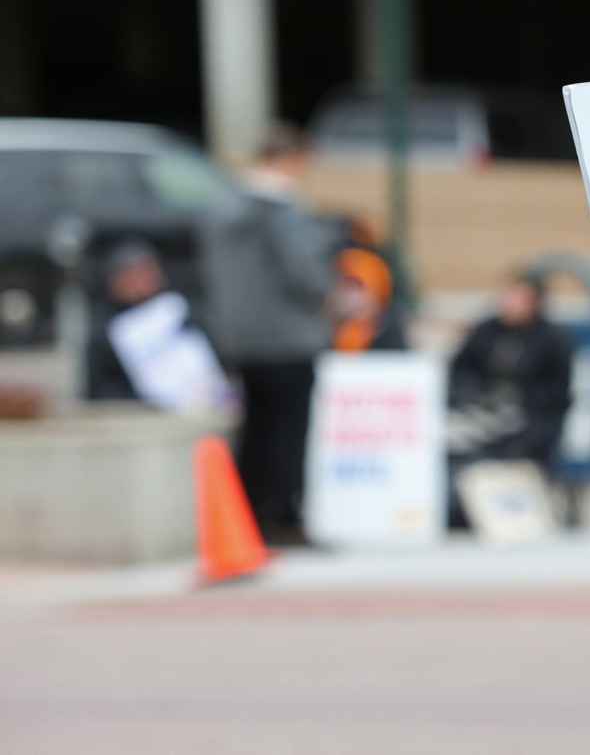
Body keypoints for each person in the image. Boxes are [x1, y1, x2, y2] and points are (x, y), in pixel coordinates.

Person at [201, 128, 338, 543]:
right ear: (291, 159)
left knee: (255, 429)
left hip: (242, 337)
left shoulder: (222, 207)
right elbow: (305, 273)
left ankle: (247, 517)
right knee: (288, 431)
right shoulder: (282, 210)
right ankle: (283, 516)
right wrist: (329, 293)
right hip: (290, 337)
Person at [447, 271, 573, 528]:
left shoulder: (551, 339)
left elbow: (558, 392)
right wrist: (474, 399)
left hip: (531, 421)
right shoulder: (486, 332)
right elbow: (459, 371)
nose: (510, 303)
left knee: (517, 446)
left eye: (519, 297)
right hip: (483, 414)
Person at [84, 240, 167, 401]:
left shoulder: (178, 316)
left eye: (148, 274)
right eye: (133, 275)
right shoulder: (105, 332)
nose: (142, 283)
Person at [331, 247, 407, 352]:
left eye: (357, 287)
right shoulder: (327, 335)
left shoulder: (390, 337)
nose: (351, 297)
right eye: (346, 286)